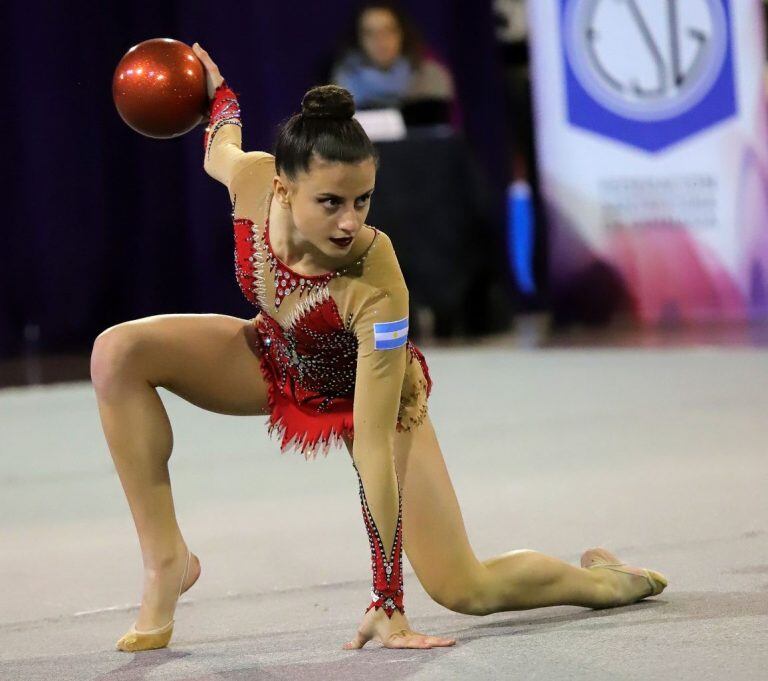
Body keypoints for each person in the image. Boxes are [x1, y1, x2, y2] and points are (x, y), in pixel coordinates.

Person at [90, 42, 668, 654]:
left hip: (374, 396)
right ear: (283, 188)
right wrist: (218, 93)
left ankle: (605, 583)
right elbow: (222, 146)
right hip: (275, 356)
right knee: (117, 352)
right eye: (331, 203)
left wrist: (388, 598)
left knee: (464, 588)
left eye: (361, 201)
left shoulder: (377, 276)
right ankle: (167, 563)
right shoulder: (253, 180)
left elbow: (372, 449)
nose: (349, 222)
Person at [330, 2, 455, 112]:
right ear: (358, 39)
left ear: (403, 33)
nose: (380, 40)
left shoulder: (430, 77)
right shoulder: (343, 84)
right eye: (369, 33)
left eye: (388, 30)